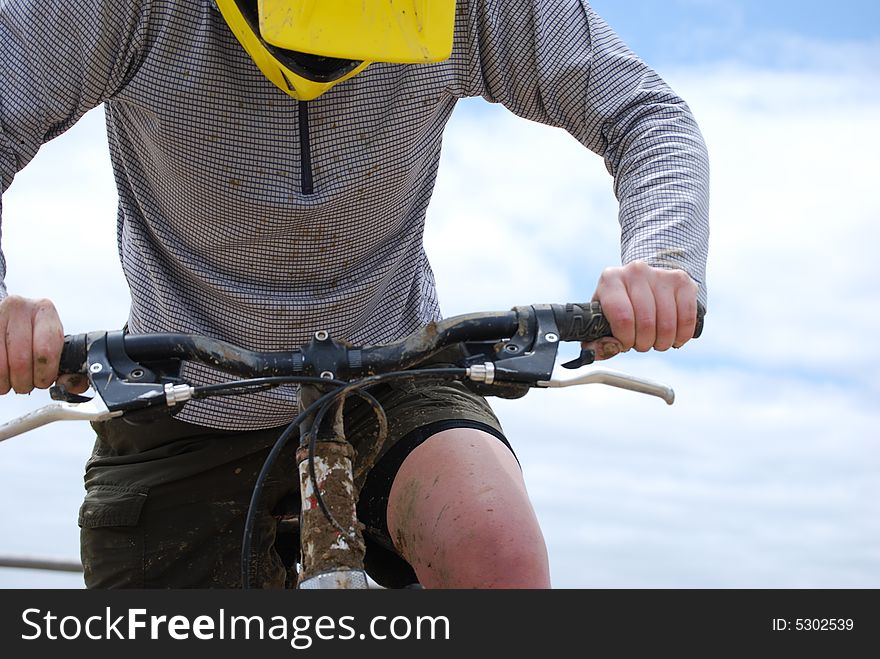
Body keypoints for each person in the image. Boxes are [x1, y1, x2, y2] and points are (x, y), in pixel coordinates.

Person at [0, 0, 709, 588]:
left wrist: (660, 257)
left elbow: (645, 113)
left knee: (497, 550)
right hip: (185, 403)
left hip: (394, 373)